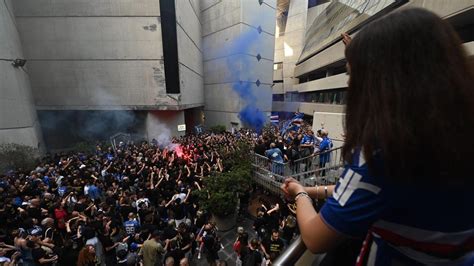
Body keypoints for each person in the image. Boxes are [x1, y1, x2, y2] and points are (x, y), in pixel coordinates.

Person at [281, 8, 474, 265]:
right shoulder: (453, 131)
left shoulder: (387, 153)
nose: (351, 86)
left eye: (354, 75)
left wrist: (299, 194)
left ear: (385, 80)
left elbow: (316, 239)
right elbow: (360, 192)